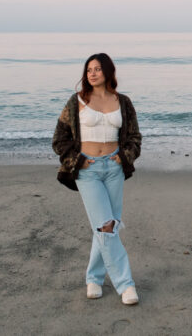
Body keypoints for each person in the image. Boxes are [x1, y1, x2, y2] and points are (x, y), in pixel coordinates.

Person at [53, 53, 142, 305]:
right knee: (106, 225)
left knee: (106, 226)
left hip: (114, 168)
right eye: (89, 69)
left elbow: (135, 137)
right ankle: (126, 284)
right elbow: (59, 138)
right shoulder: (76, 101)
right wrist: (78, 161)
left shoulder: (122, 102)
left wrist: (125, 157)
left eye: (97, 69)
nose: (92, 73)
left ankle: (94, 278)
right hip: (87, 170)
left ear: (108, 72)